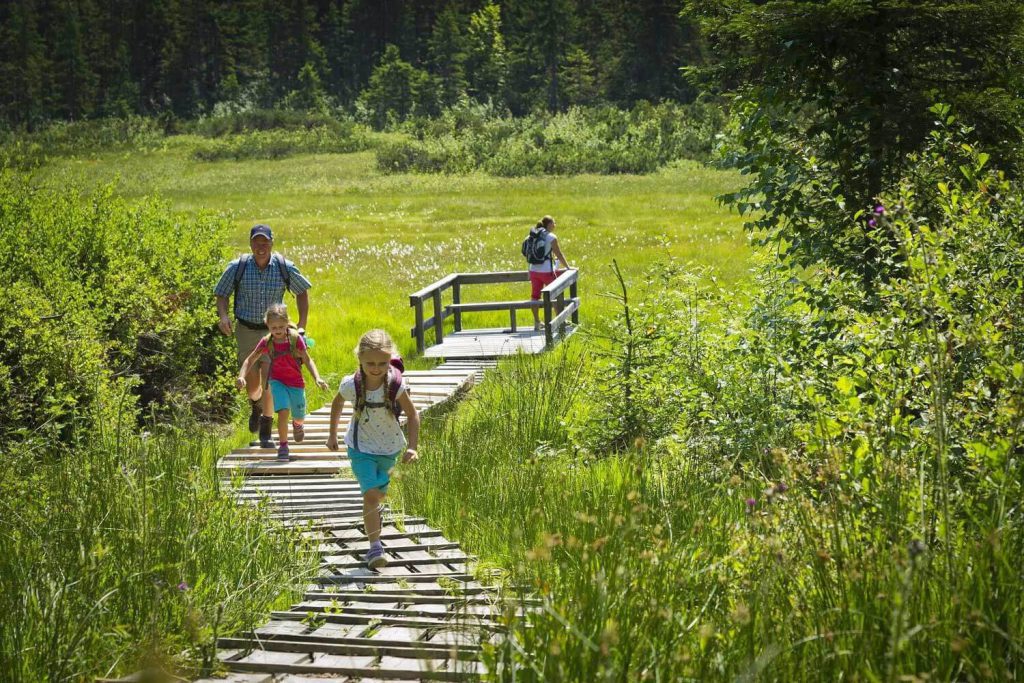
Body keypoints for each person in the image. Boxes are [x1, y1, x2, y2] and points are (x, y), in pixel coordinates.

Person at [325, 329, 420, 569]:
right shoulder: (352, 384)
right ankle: (375, 547)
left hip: (389, 449)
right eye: (370, 363)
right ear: (360, 359)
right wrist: (332, 434)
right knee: (370, 496)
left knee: (376, 497)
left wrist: (413, 447)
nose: (376, 368)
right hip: (360, 449)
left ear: (390, 360)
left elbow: (412, 414)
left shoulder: (396, 385)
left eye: (382, 363)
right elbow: (337, 404)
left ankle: (374, 529)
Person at [214, 224, 312, 446]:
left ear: (271, 243)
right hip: (246, 331)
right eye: (257, 242)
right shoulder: (237, 267)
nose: (261, 247)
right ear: (250, 244)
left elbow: (302, 292)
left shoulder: (283, 267)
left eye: (265, 242)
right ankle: (256, 405)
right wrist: (223, 316)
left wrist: (302, 325)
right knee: (253, 386)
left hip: (274, 333)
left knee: (270, 379)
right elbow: (221, 293)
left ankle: (266, 432)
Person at [237, 303, 329, 459]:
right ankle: (283, 446)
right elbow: (249, 360)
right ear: (268, 326)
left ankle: (298, 424)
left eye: (281, 326)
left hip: (296, 383)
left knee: (298, 415)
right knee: (283, 412)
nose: (278, 330)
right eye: (274, 328)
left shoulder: (295, 339)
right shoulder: (267, 342)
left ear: (287, 323)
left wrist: (317, 378)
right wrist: (241, 375)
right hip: (277, 381)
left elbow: (307, 360)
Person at [525, 215, 570, 331]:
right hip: (546, 271)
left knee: (535, 297)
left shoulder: (532, 235)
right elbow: (559, 254)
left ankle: (537, 322)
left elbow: (528, 254)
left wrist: (529, 270)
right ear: (549, 224)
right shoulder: (551, 237)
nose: (555, 225)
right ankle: (561, 320)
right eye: (554, 223)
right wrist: (568, 267)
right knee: (555, 294)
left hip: (533, 271)